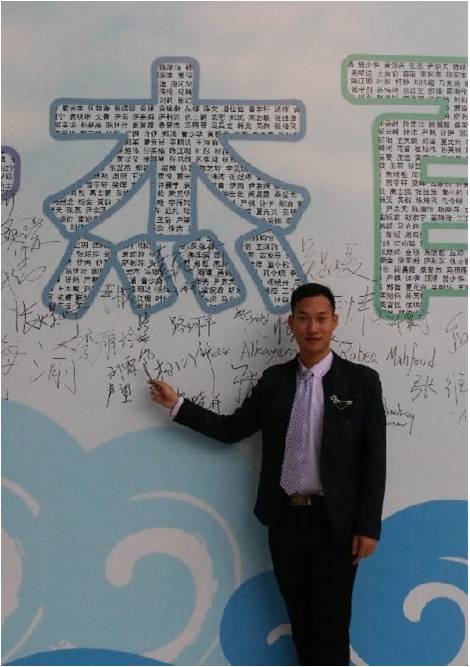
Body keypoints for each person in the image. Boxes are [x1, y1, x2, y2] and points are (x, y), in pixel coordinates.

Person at [149, 282, 386, 666]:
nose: (313, 328)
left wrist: (368, 525)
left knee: (331, 627)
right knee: (302, 623)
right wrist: (178, 405)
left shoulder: (361, 381)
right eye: (304, 318)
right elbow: (232, 430)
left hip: (336, 525)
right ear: (291, 323)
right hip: (285, 520)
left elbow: (374, 458)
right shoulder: (275, 381)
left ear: (335, 321)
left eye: (321, 319)